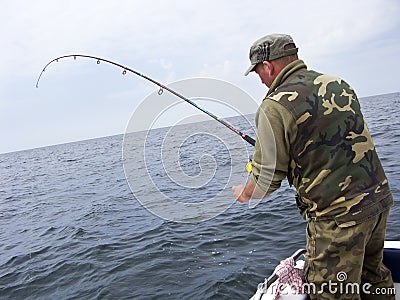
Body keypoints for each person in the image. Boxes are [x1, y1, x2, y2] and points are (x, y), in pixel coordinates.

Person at [232, 33, 395, 299]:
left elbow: (267, 178)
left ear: (268, 66)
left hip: (338, 221)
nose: (260, 79)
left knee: (331, 293)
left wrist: (244, 192)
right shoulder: (339, 84)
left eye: (258, 72)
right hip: (377, 204)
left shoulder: (274, 107)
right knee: (373, 280)